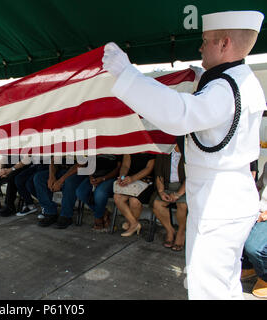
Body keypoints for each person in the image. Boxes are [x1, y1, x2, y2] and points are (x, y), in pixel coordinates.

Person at [102, 10, 265, 299]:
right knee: (220, 283)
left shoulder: (226, 87)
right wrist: (204, 81)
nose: (200, 47)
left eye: (206, 41)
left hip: (220, 202)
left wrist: (127, 75)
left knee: (209, 289)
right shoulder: (235, 81)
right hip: (222, 194)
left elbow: (180, 114)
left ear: (225, 44)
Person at [33, 156, 86, 228]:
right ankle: (50, 212)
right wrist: (51, 177)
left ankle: (66, 215)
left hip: (78, 170)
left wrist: (60, 181)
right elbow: (53, 160)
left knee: (69, 182)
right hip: (63, 169)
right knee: (39, 178)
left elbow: (82, 164)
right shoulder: (61, 145)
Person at [152, 144, 187, 251]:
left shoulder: (189, 153)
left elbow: (192, 177)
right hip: (166, 186)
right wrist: (161, 191)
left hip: (185, 187)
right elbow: (159, 174)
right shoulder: (165, 151)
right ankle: (170, 231)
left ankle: (181, 232)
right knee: (157, 204)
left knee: (182, 204)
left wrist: (178, 194)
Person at [240, 162, 267, 298]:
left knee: (255, 247)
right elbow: (259, 186)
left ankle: (265, 277)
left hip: (265, 214)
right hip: (258, 209)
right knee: (236, 232)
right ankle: (249, 267)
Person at [75, 154, 122, 232]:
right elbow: (89, 164)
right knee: (80, 192)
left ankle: (98, 217)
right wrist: (91, 177)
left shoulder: (117, 146)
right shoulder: (96, 145)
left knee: (100, 193)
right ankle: (103, 212)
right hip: (94, 176)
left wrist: (103, 178)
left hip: (110, 177)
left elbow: (118, 168)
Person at [114, 153, 155, 237]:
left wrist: (132, 178)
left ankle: (130, 223)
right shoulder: (131, 145)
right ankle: (134, 223)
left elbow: (149, 168)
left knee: (134, 200)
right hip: (130, 180)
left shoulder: (150, 147)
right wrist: (122, 177)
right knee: (117, 197)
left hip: (147, 181)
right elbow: (125, 165)